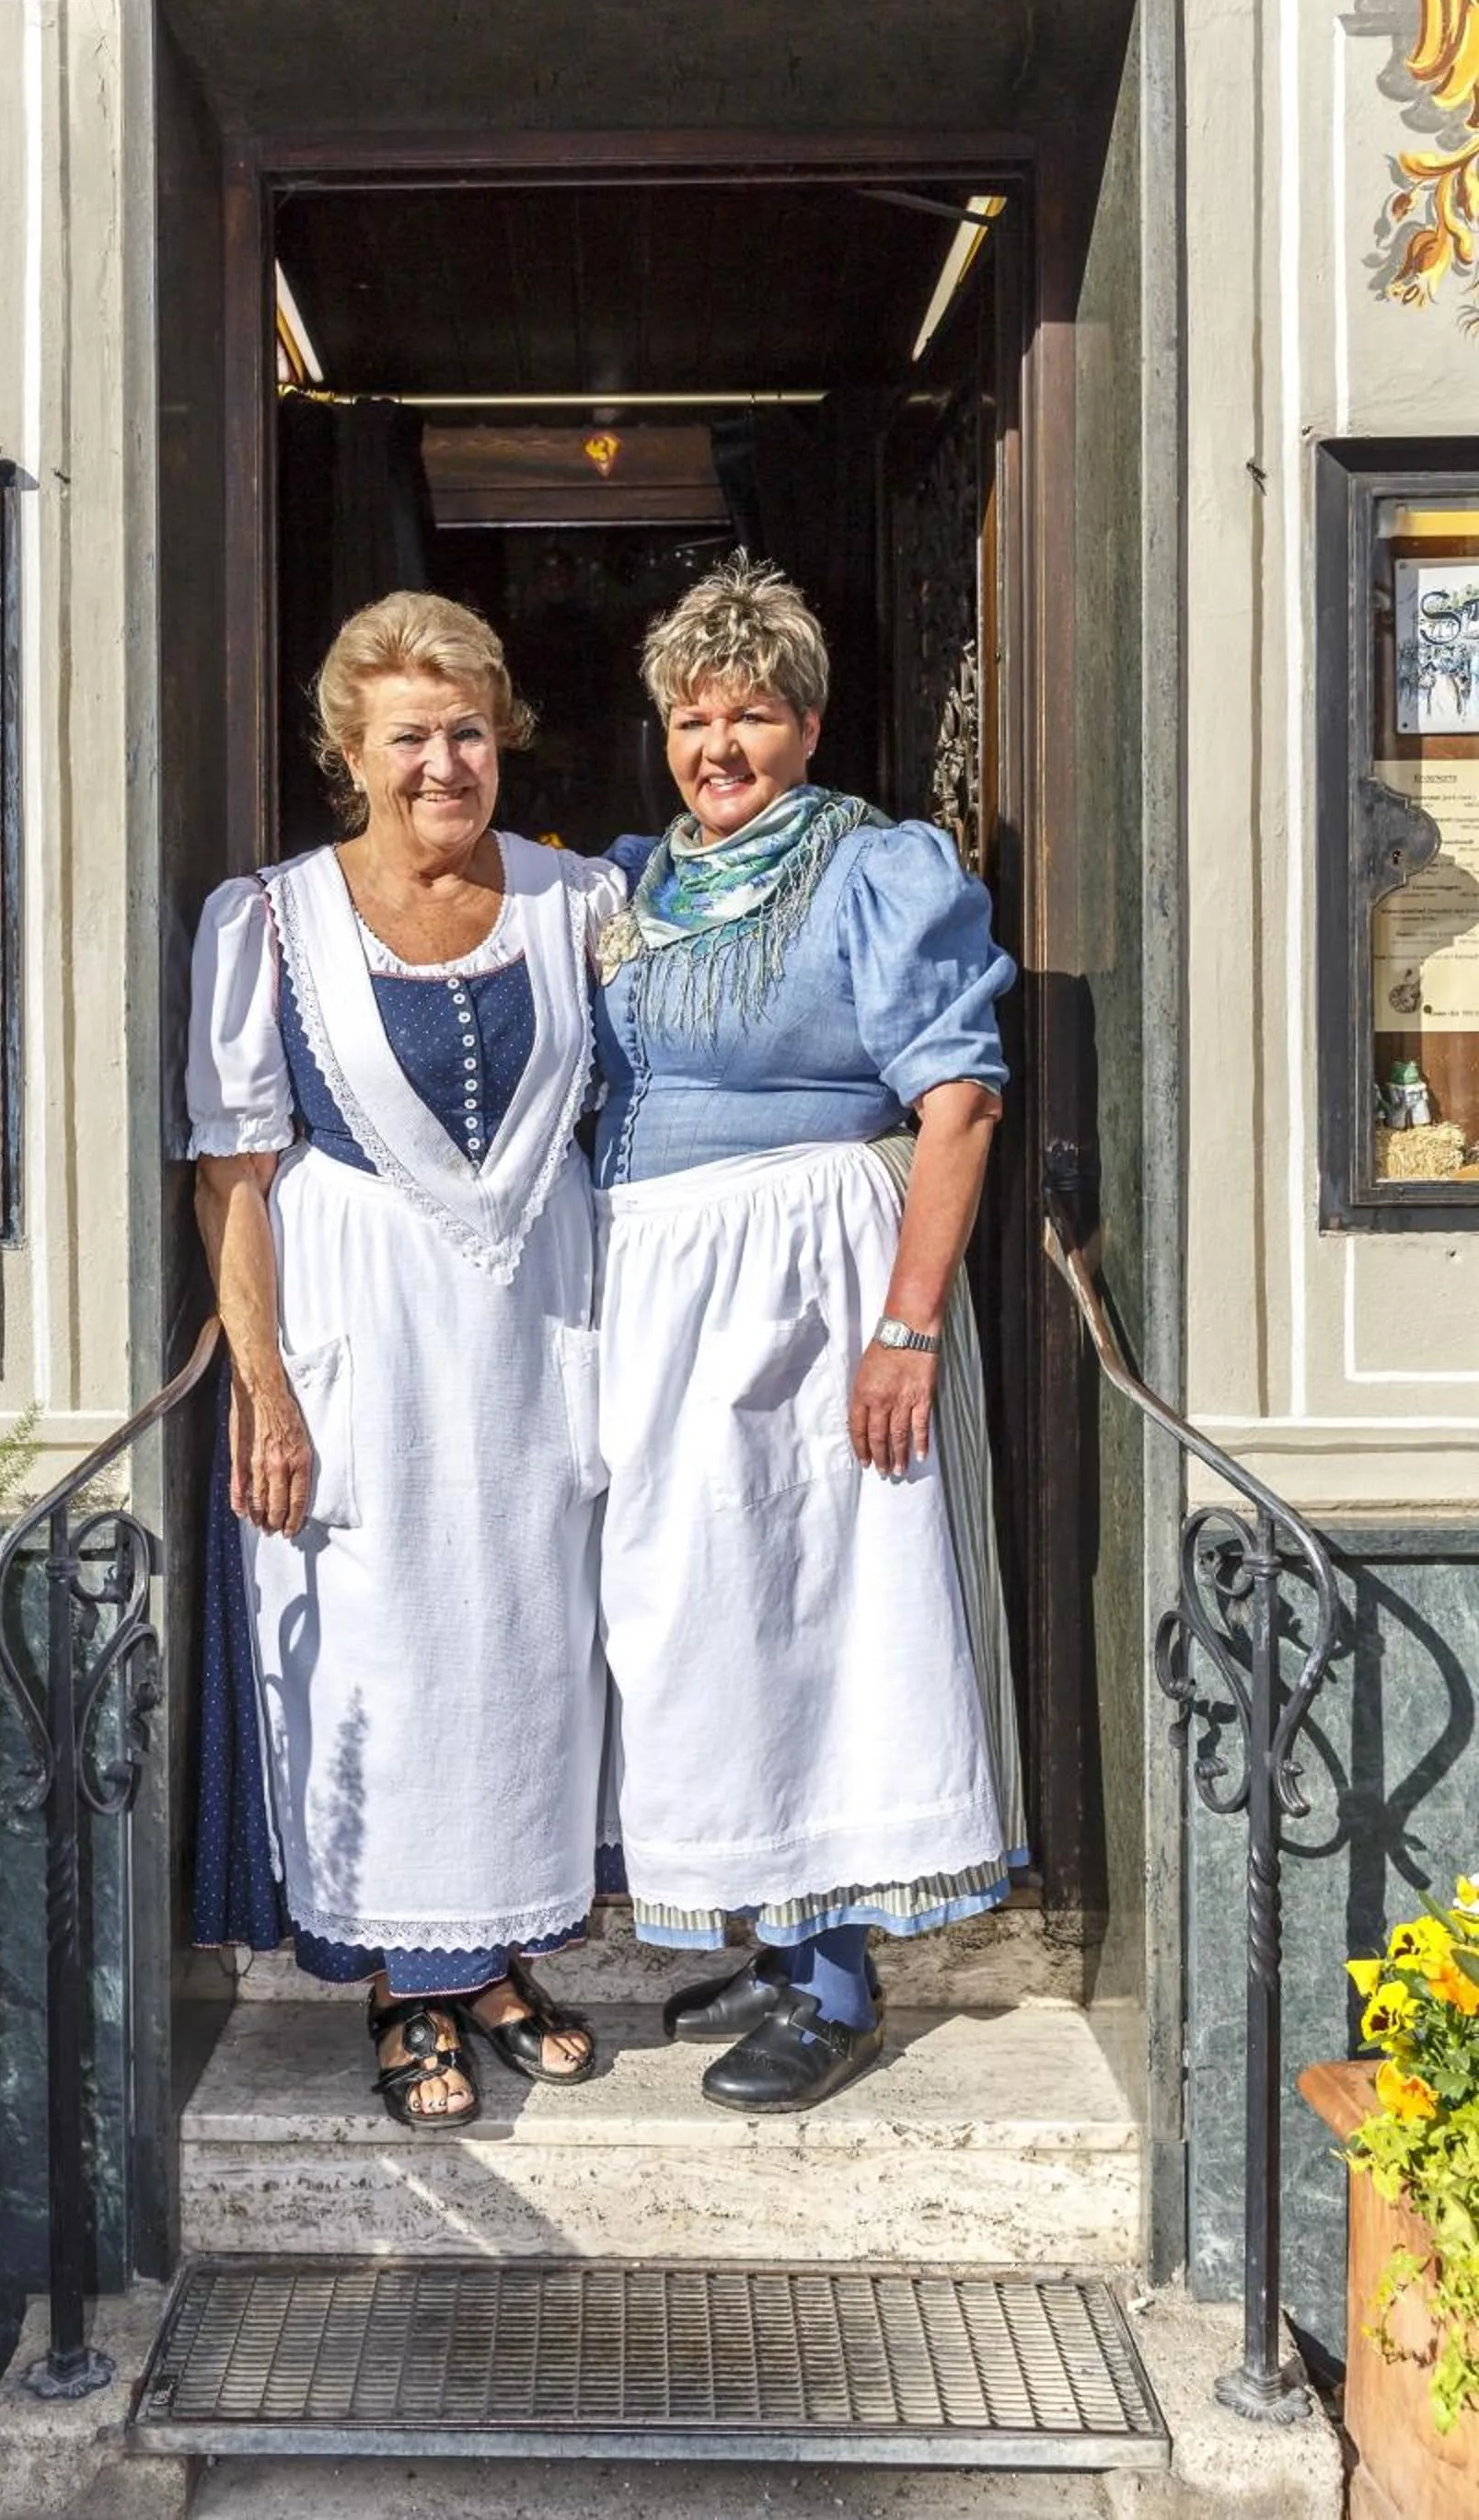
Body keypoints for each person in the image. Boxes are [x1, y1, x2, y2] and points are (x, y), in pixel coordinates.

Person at [593, 556, 1027, 2114]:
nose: (722, 748)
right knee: (703, 1612)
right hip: (663, 1292)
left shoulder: (876, 865)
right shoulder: (637, 881)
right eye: (694, 720)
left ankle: (840, 1978)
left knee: (833, 1607)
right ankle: (773, 1931)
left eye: (754, 717)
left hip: (817, 1275)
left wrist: (905, 1326)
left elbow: (960, 1103)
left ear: (812, 721)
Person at [187, 593, 619, 2130]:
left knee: (524, 1644)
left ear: (502, 739)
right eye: (407, 737)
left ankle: (496, 1961)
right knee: (383, 1645)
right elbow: (233, 1170)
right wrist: (266, 1386)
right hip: (360, 1328)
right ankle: (404, 1983)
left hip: (535, 1333)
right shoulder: (272, 919)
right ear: (348, 755)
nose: (443, 763)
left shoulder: (583, 901)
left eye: (467, 731)